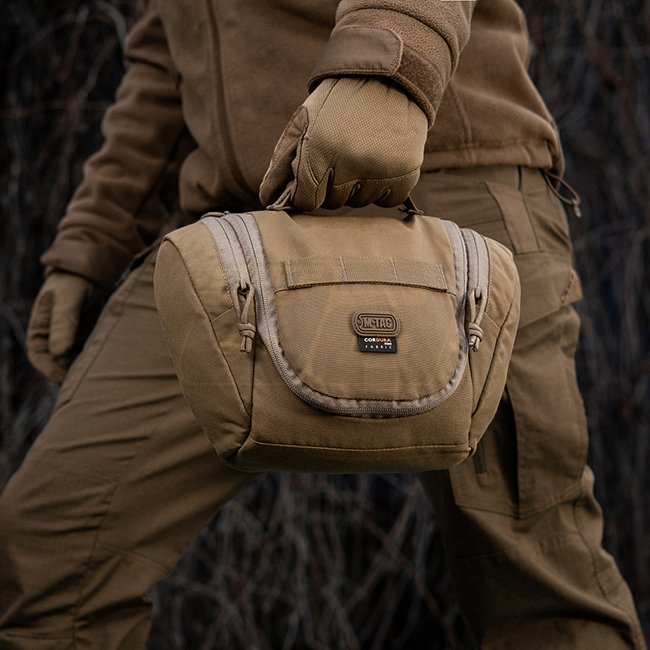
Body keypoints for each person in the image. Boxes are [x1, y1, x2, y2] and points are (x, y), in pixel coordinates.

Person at [0, 0, 646, 647]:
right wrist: (97, 237)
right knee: (52, 558)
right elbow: (168, 57)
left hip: (444, 182)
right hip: (231, 247)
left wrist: (388, 73)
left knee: (540, 581)